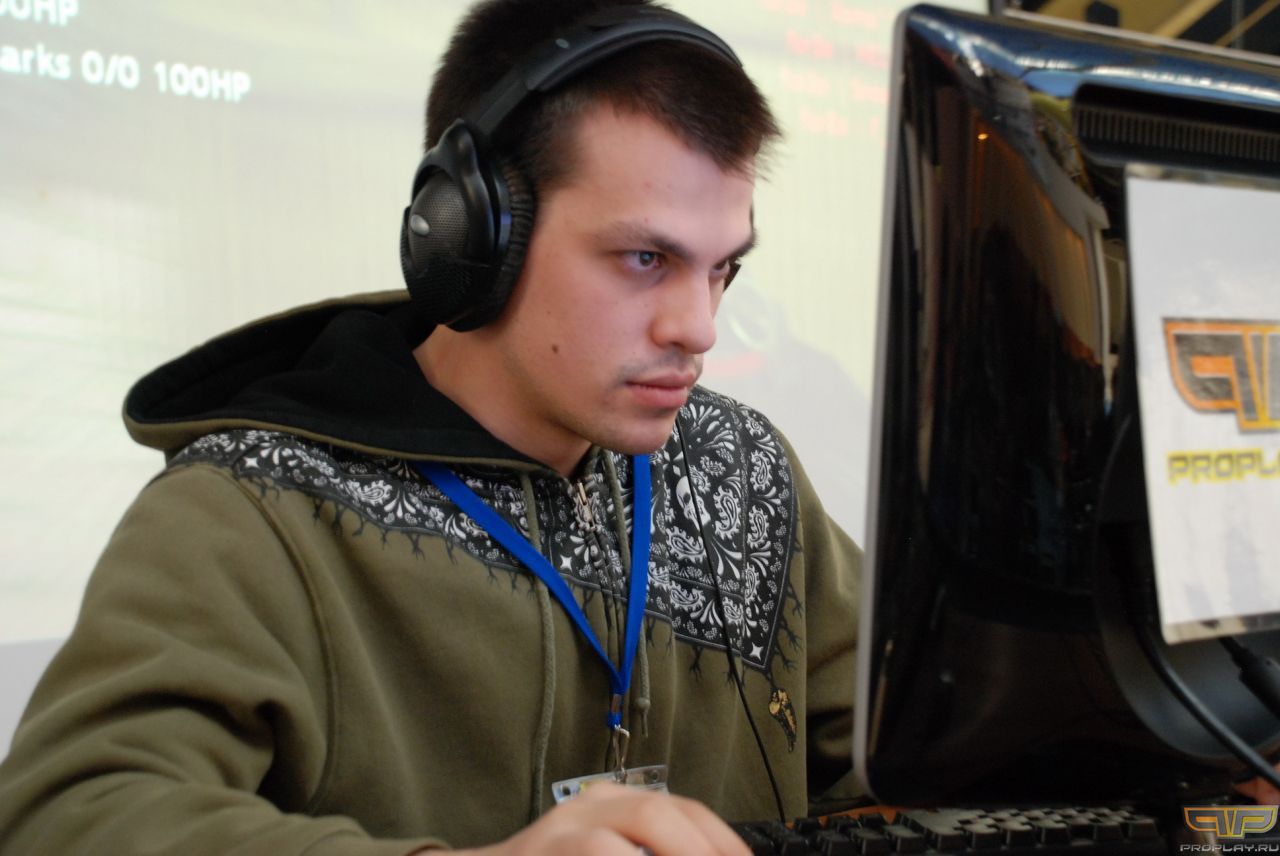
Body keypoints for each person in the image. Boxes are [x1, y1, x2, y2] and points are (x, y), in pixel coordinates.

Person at [0, 0, 862, 853]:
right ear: (470, 236)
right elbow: (70, 815)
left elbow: (913, 747)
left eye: (722, 268)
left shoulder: (740, 467)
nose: (699, 328)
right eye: (646, 258)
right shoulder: (250, 512)